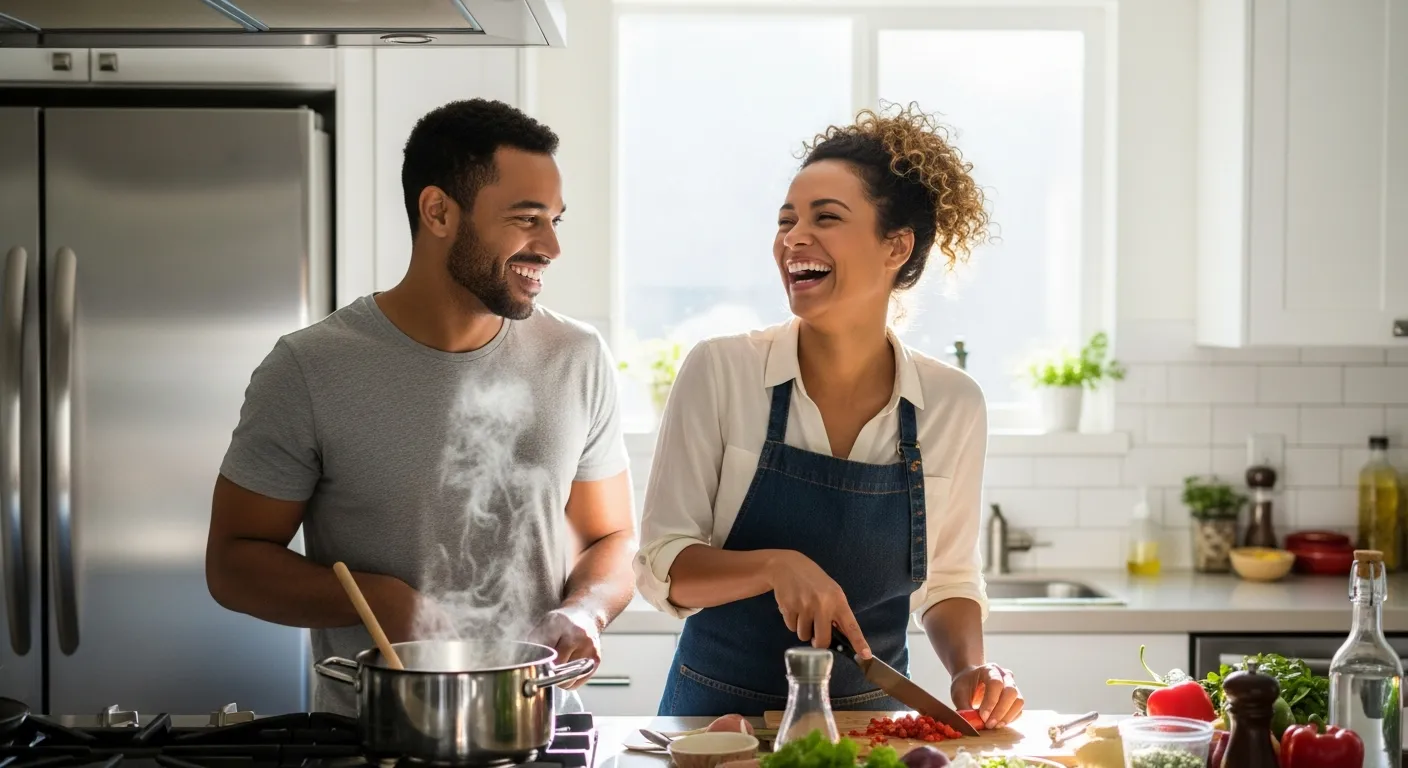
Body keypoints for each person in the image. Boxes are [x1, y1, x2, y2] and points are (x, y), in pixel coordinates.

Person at [206, 98, 636, 716]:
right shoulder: (310, 368)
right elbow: (233, 564)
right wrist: (383, 600)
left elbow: (613, 534)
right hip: (372, 735)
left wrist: (584, 609)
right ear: (438, 211)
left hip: (533, 728)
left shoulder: (576, 356)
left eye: (556, 221)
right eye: (526, 219)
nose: (550, 247)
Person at [634, 104, 1023, 727]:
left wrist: (971, 670)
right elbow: (664, 565)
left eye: (826, 218)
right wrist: (771, 565)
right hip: (716, 726)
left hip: (872, 728)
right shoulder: (721, 371)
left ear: (896, 246)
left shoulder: (952, 404)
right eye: (786, 220)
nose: (793, 238)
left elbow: (948, 581)